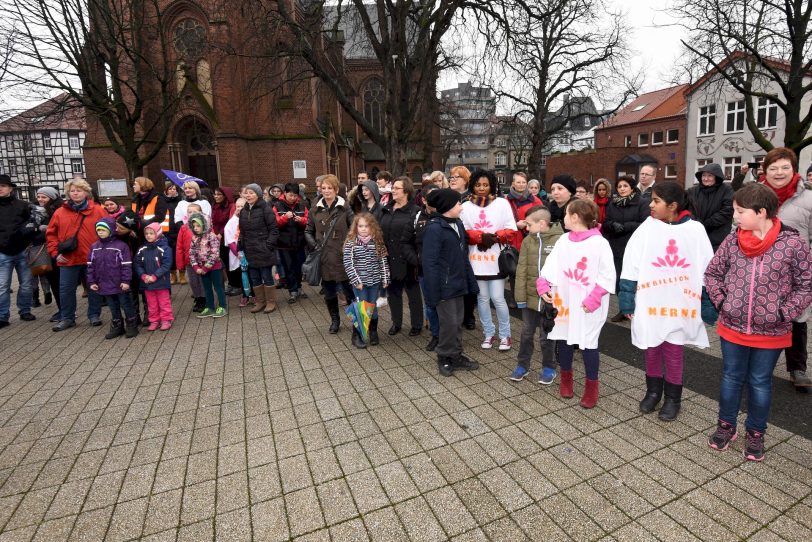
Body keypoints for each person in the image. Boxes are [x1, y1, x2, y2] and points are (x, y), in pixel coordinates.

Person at [705, 183, 812, 461]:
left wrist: (784, 313)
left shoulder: (793, 243)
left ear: (761, 212)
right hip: (732, 326)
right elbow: (713, 274)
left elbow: (805, 285)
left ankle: (755, 433)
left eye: (740, 211)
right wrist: (722, 302)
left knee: (760, 382)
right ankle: (726, 426)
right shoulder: (732, 241)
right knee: (730, 377)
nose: (735, 216)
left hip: (772, 330)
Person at [619, 182, 716, 421]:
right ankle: (653, 391)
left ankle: (673, 398)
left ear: (672, 206)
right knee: (651, 347)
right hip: (651, 300)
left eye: (656, 201)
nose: (650, 205)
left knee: (673, 350)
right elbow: (631, 263)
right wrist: (627, 299)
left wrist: (707, 303)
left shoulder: (695, 230)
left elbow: (707, 268)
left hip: (681, 302)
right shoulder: (647, 228)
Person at [537, 199, 615, 408]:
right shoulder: (564, 240)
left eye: (566, 214)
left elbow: (607, 275)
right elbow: (550, 265)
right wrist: (543, 285)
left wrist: (594, 297)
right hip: (565, 299)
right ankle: (566, 380)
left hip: (587, 303)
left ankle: (591, 388)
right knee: (564, 339)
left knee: (589, 343)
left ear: (575, 217)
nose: (563, 218)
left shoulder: (600, 243)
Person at [759, 147, 812, 390]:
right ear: (765, 171)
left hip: (796, 271)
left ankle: (797, 367)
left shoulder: (808, 199)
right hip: (760, 269)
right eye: (773, 168)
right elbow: (738, 229)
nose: (779, 173)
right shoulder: (754, 196)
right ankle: (759, 366)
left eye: (784, 167)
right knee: (761, 316)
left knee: (797, 318)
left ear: (794, 169)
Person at [422, 189, 480, 377]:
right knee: (449, 323)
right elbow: (429, 263)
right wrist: (432, 292)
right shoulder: (434, 228)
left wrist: (469, 280)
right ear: (447, 207)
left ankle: (455, 355)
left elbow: (463, 255)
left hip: (458, 282)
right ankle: (445, 357)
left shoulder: (457, 224)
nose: (461, 207)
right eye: (458, 204)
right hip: (444, 286)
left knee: (457, 322)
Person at [461, 169, 517, 350]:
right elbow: (464, 231)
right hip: (476, 259)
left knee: (498, 298)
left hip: (496, 259)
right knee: (482, 298)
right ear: (472, 186)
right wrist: (479, 237)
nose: (482, 188)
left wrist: (494, 237)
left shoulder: (502, 203)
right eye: (478, 185)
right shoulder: (466, 206)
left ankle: (505, 335)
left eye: (485, 185)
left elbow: (511, 228)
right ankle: (488, 333)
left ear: (492, 185)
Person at [512, 206, 564, 384]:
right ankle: (522, 365)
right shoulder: (528, 241)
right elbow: (522, 270)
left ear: (541, 223)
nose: (526, 228)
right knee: (526, 333)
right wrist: (520, 297)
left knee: (546, 336)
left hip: (550, 299)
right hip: (530, 298)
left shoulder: (561, 240)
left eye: (529, 224)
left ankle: (549, 367)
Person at [46, 178, 106, 331]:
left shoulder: (98, 210)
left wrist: (103, 252)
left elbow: (108, 231)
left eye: (78, 190)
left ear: (86, 192)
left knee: (94, 288)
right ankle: (67, 318)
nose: (75, 193)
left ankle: (94, 315)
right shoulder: (60, 212)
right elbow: (51, 234)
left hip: (92, 258)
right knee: (66, 290)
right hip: (68, 258)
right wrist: (54, 253)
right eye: (72, 191)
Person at [305, 174, 356, 333]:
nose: (326, 191)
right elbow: (308, 230)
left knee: (349, 292)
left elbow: (355, 229)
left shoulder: (345, 207)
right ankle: (335, 321)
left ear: (336, 189)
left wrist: (348, 246)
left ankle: (356, 321)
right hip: (324, 257)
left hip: (342, 256)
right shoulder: (315, 208)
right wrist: (314, 244)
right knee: (329, 293)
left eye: (330, 188)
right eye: (323, 188)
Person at [602, 175, 650, 322]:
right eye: (619, 186)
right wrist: (612, 226)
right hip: (616, 245)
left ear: (632, 187)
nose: (622, 189)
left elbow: (645, 224)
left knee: (634, 279)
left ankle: (638, 308)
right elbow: (606, 223)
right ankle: (624, 309)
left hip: (634, 245)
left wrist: (626, 226)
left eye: (625, 186)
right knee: (618, 279)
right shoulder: (613, 203)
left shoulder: (642, 203)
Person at [380, 176, 423, 337]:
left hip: (408, 260)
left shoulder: (415, 211)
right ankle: (396, 323)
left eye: (397, 188)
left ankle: (417, 324)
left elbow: (418, 237)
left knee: (413, 294)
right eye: (393, 188)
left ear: (406, 191)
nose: (393, 190)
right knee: (393, 293)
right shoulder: (386, 208)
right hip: (389, 259)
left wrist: (415, 257)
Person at [343, 213, 390, 348]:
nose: (363, 229)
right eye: (360, 226)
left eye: (367, 226)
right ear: (356, 227)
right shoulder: (351, 243)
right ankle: (357, 335)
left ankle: (373, 332)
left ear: (372, 227)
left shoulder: (377, 241)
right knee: (362, 308)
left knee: (372, 307)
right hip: (360, 284)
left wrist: (385, 278)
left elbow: (383, 261)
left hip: (375, 281)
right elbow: (348, 263)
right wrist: (356, 280)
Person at [87, 217, 139, 339]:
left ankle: (132, 325)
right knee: (113, 306)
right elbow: (90, 265)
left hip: (120, 283)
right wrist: (92, 281)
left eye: (103, 230)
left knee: (126, 304)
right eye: (98, 230)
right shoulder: (94, 247)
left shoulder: (121, 246)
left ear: (111, 230)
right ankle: (117, 325)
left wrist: (126, 281)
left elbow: (126, 265)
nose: (100, 232)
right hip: (104, 284)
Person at [0, 175, 36, 328]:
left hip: (23, 250)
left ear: (10, 188)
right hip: (2, 252)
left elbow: (32, 225)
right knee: (2, 286)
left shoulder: (23, 205)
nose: (0, 189)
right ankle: (2, 316)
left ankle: (25, 310)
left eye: (3, 185)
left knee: (27, 284)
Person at [505, 171, 543, 309]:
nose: (521, 185)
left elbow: (542, 218)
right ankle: (515, 298)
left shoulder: (535, 200)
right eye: (518, 182)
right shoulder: (506, 201)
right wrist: (516, 225)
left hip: (530, 240)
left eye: (523, 182)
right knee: (514, 271)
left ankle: (530, 297)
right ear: (513, 183)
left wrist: (527, 224)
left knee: (530, 271)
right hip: (513, 240)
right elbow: (503, 220)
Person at [240, 184, 280, 313]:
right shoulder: (244, 210)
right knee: (255, 277)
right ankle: (260, 302)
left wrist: (268, 245)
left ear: (257, 194)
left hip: (264, 249)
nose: (248, 195)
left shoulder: (266, 208)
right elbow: (242, 231)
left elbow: (274, 230)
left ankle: (270, 302)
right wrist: (242, 244)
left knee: (266, 276)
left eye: (251, 193)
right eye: (246, 193)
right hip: (250, 249)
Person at [449, 165, 477, 330]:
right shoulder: (447, 197)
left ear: (466, 181)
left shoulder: (472, 199)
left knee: (469, 280)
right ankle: (458, 315)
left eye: (456, 177)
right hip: (453, 243)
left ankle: (469, 315)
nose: (452, 180)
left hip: (470, 244)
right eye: (451, 177)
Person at [414, 185, 441, 351]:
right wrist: (416, 260)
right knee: (430, 304)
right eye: (432, 196)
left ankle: (448, 335)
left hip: (442, 269)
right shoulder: (418, 216)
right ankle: (436, 335)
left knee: (445, 304)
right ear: (424, 200)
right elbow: (410, 240)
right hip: (424, 269)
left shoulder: (447, 216)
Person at [274, 183, 309, 304]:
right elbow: (274, 223)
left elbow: (309, 221)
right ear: (285, 193)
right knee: (288, 267)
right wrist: (284, 218)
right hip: (284, 243)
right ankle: (292, 291)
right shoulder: (277, 206)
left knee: (299, 267)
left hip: (299, 242)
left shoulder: (302, 205)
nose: (292, 198)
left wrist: (301, 220)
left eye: (295, 195)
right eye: (290, 195)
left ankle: (299, 287)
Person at [686, 163, 734, 251]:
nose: (706, 178)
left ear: (716, 176)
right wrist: (697, 223)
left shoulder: (726, 190)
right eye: (703, 175)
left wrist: (707, 223)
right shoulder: (693, 191)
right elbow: (688, 208)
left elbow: (727, 210)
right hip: (697, 234)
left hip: (718, 236)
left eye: (710, 176)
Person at [134, 222, 174, 330]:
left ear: (158, 234)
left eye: (151, 233)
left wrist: (155, 276)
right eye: (146, 233)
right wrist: (143, 276)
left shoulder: (165, 248)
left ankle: (166, 320)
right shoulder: (142, 249)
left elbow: (166, 265)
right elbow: (137, 264)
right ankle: (154, 320)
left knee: (164, 302)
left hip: (161, 281)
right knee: (151, 304)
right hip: (147, 283)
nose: (148, 236)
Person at [188, 213, 227, 319]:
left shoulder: (212, 237)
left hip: (214, 268)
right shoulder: (194, 238)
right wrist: (196, 267)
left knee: (218, 287)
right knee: (207, 288)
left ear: (205, 225)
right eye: (194, 226)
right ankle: (210, 307)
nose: (195, 228)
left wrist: (205, 268)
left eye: (198, 226)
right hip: (201, 269)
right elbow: (191, 253)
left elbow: (214, 254)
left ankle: (222, 306)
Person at [35, 186, 63, 319]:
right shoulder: (37, 211)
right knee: (53, 281)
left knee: (58, 282)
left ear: (51, 198)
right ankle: (62, 309)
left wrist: (46, 229)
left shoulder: (56, 211)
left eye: (43, 197)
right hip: (45, 250)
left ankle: (65, 310)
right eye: (39, 196)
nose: (40, 199)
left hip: (56, 250)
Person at [175, 203, 206, 312]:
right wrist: (180, 264)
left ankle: (204, 300)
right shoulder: (184, 228)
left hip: (202, 262)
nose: (191, 214)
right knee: (193, 282)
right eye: (189, 212)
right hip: (189, 262)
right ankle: (197, 299)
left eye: (194, 212)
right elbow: (179, 246)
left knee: (202, 281)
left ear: (201, 213)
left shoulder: (204, 226)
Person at [211, 186, 236, 294]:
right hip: (216, 238)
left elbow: (230, 223)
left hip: (227, 238)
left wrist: (221, 233)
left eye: (218, 194)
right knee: (224, 263)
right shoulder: (215, 206)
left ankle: (236, 284)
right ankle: (230, 283)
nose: (216, 196)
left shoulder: (231, 206)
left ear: (225, 196)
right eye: (215, 194)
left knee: (231, 262)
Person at [160, 182, 183, 284]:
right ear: (166, 190)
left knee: (180, 253)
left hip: (179, 230)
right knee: (169, 253)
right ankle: (173, 275)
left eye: (174, 189)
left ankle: (182, 274)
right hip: (167, 231)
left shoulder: (181, 200)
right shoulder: (162, 201)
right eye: (170, 189)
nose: (172, 191)